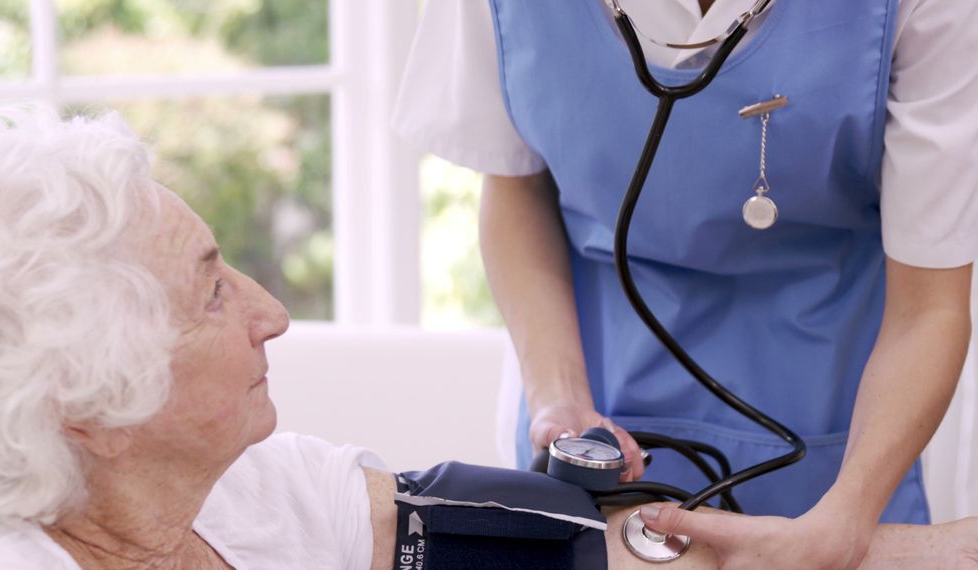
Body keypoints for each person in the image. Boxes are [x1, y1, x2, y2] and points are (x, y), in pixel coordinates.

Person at [0, 106, 977, 569]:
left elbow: (568, 550)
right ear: (93, 406)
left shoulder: (246, 491)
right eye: (213, 293)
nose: (273, 311)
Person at [393, 0, 978, 566]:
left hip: (843, 417)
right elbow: (516, 182)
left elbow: (930, 307)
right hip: (588, 389)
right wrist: (559, 395)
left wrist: (845, 520)